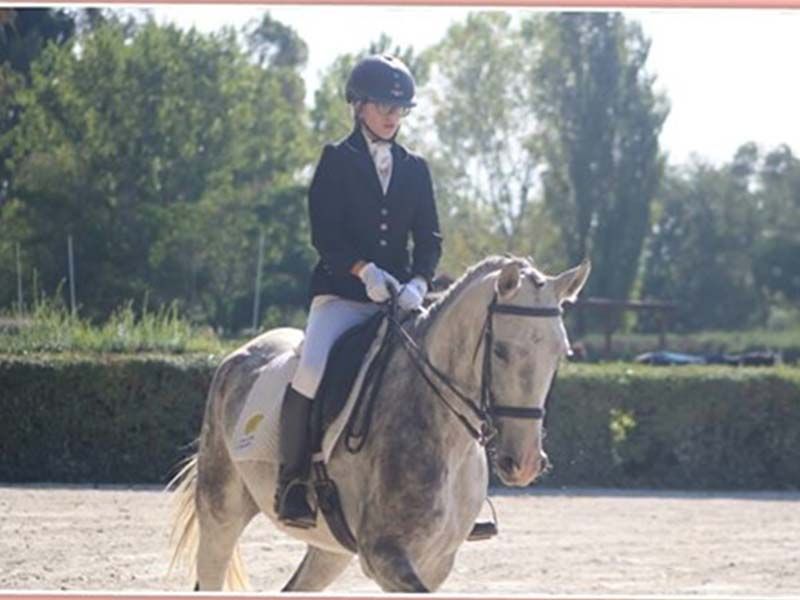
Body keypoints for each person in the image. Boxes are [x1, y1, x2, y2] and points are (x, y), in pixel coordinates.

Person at [275, 54, 443, 528]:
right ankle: (292, 482)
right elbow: (325, 235)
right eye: (382, 106)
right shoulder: (335, 159)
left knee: (446, 370)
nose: (392, 116)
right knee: (309, 368)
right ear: (358, 106)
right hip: (343, 296)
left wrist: (419, 281)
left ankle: (457, 490)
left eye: (399, 108)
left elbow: (429, 237)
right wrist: (362, 270)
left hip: (401, 300)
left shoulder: (416, 168)